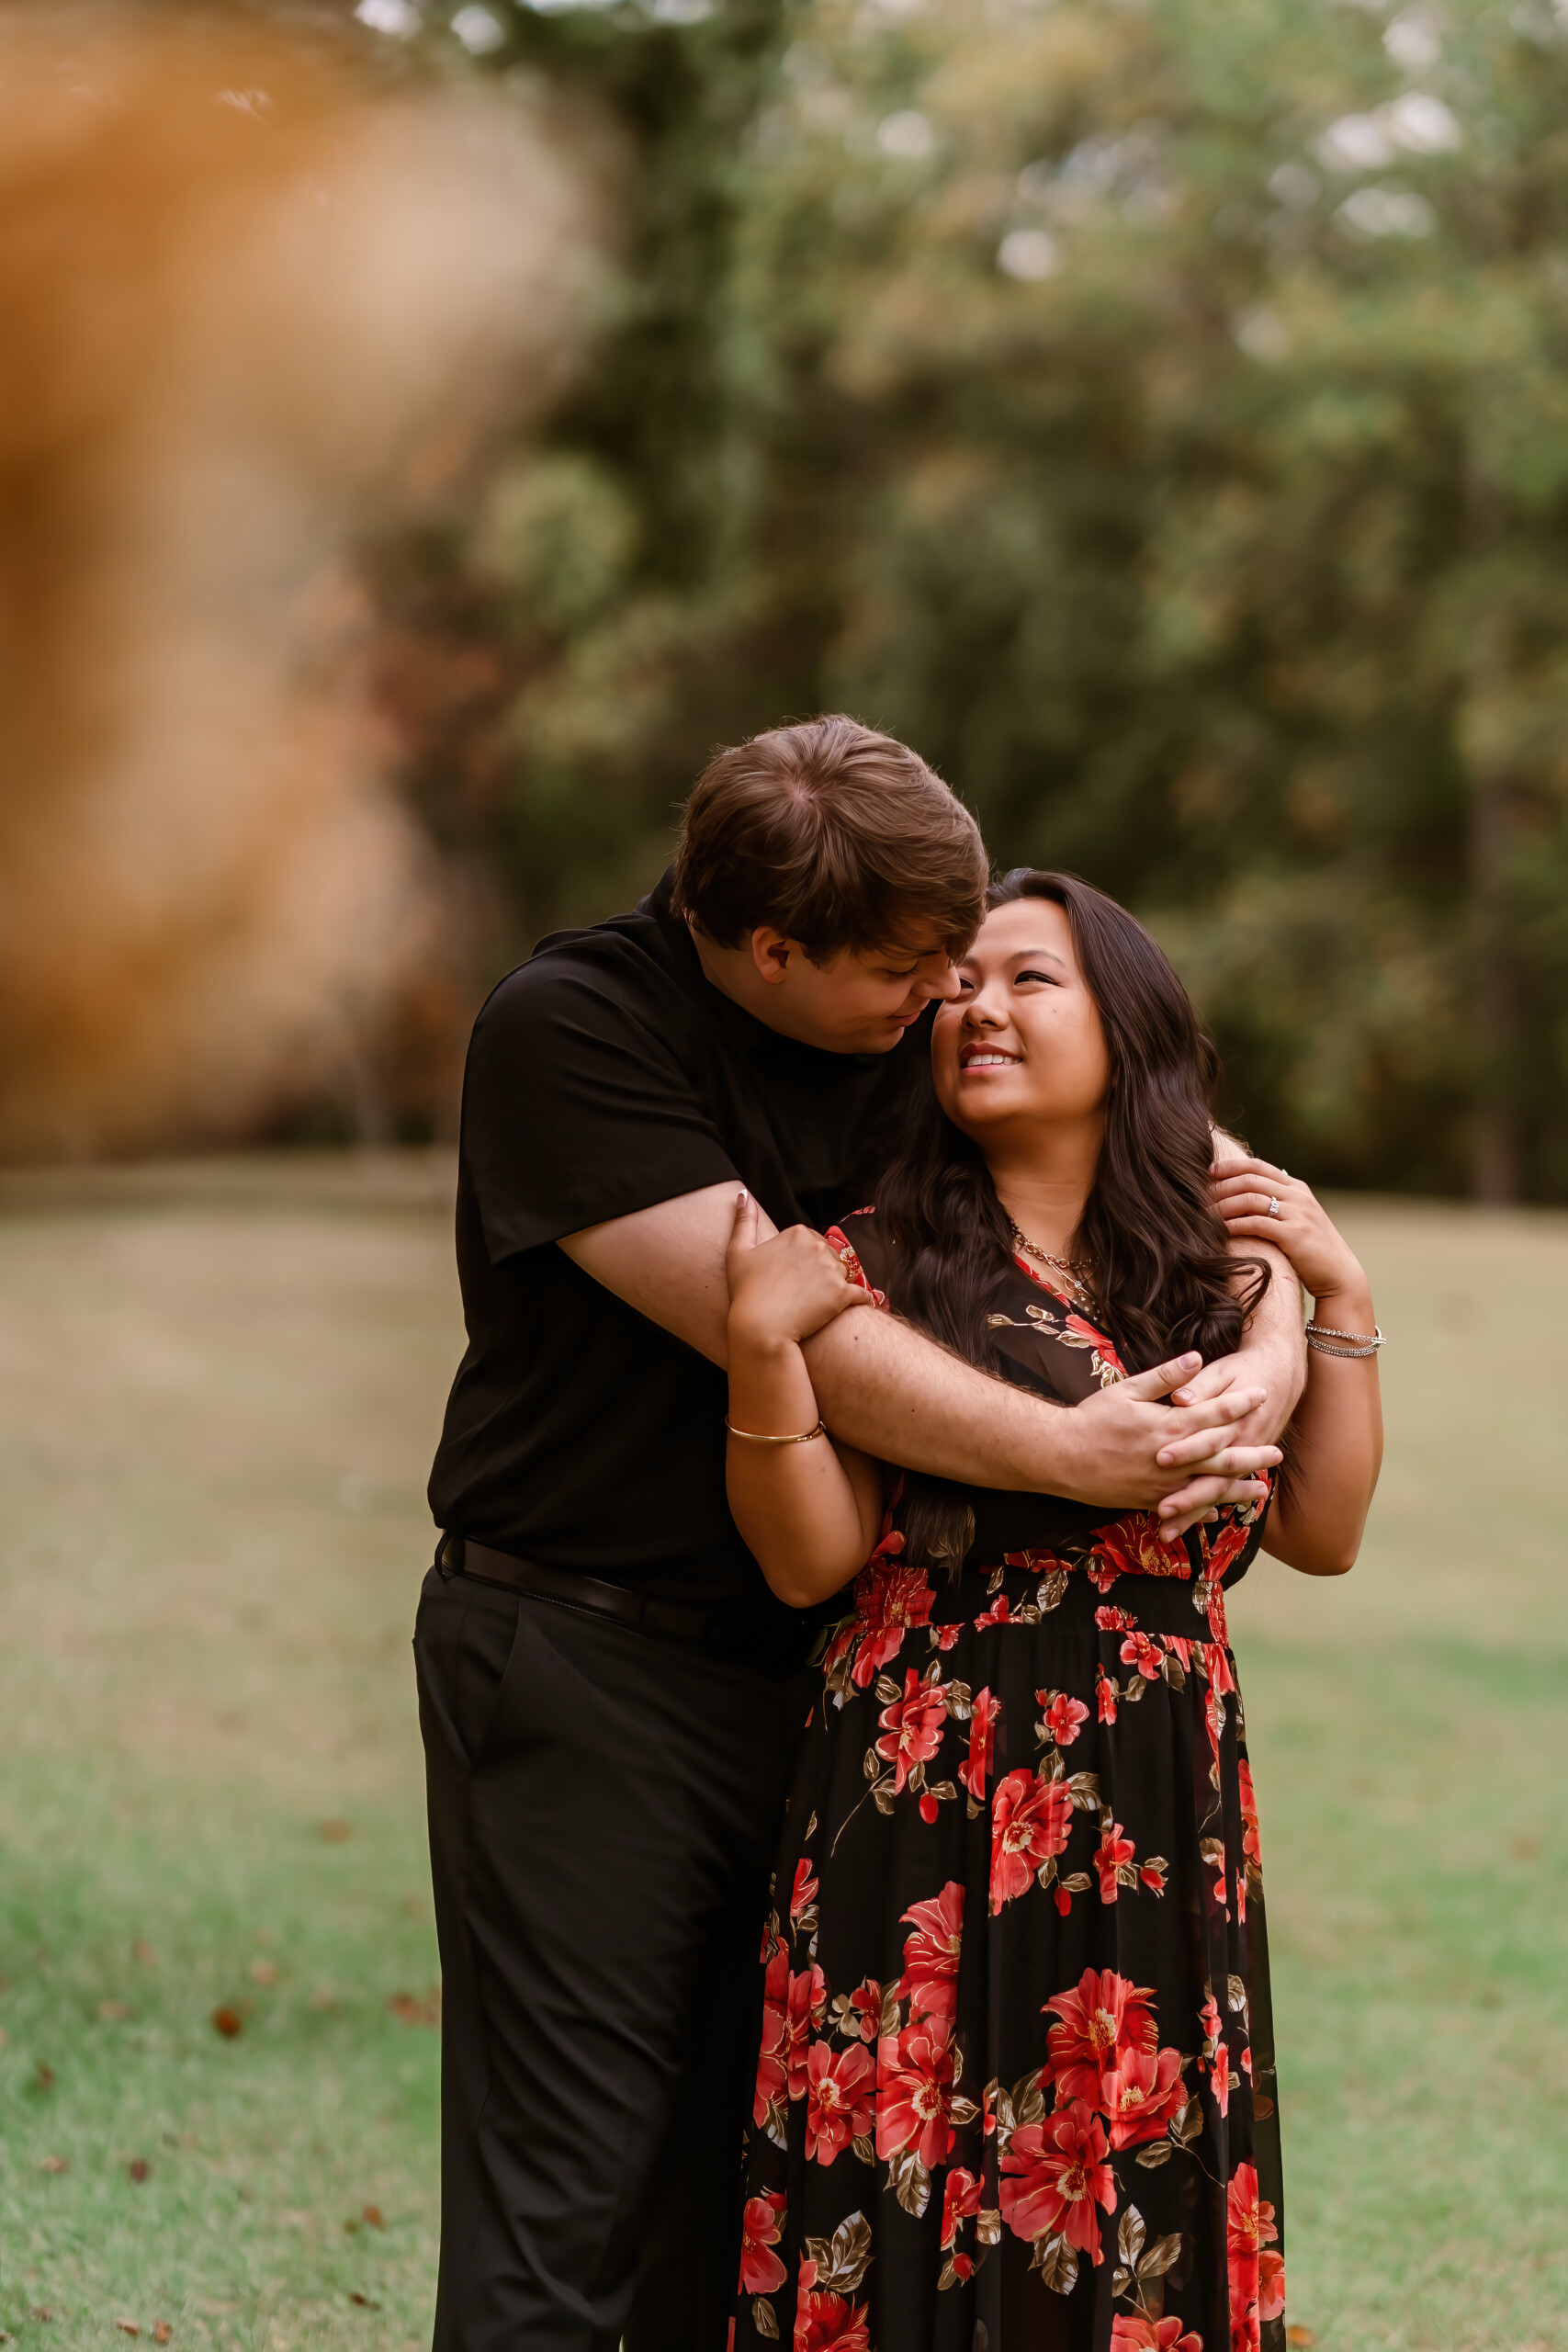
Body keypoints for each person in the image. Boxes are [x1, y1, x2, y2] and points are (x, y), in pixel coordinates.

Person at [414, 720, 1303, 2352]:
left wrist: (1285, 1339)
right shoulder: (575, 1028)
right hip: (594, 1664)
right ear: (770, 949)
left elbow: (1193, 1171)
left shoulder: (892, 1000)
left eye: (961, 966)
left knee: (746, 2206)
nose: (943, 1006)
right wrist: (1072, 1451)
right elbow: (814, 1337)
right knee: (563, 2215)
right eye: (911, 976)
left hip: (839, 1701)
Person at [723, 870, 1382, 2351]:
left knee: (1125, 2190)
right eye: (960, 984)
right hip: (922, 1778)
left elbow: (1325, 1532)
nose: (978, 1006)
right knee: (904, 2172)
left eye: (1031, 978)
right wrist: (764, 1353)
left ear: (1124, 1027)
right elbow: (810, 1561)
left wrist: (1333, 1289)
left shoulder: (1207, 1285)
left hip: (1156, 1799)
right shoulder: (875, 1265)